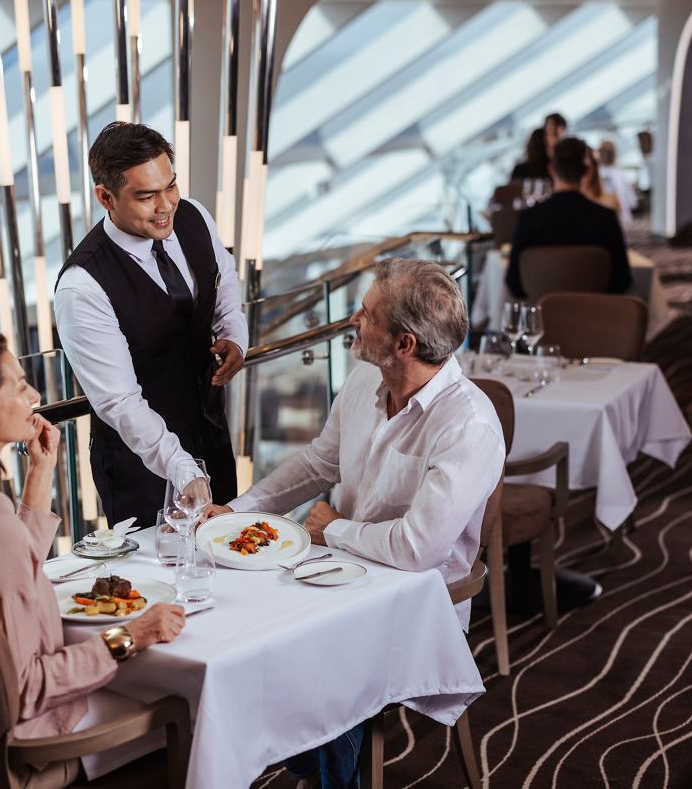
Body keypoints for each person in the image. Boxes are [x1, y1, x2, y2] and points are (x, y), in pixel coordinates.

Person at [206, 258, 504, 789]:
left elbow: (418, 549)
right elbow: (321, 462)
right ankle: (298, 758)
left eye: (366, 315)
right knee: (245, 617)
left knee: (320, 648)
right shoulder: (368, 375)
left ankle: (330, 779)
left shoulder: (470, 424)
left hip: (418, 595)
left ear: (404, 344)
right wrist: (243, 509)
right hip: (338, 567)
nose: (352, 320)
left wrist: (332, 528)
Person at [0, 332, 186, 780]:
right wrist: (133, 634)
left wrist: (41, 472)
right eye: (20, 385)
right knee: (188, 709)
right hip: (23, 754)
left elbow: (1, 574)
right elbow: (26, 688)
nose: (36, 396)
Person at [55, 122, 248, 527]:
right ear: (105, 197)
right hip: (141, 466)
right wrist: (181, 468)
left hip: (211, 434)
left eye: (170, 186)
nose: (165, 206)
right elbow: (118, 402)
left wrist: (234, 332)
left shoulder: (193, 216)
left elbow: (224, 275)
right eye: (146, 196)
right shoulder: (83, 286)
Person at [505, 136, 633, 299]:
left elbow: (514, 283)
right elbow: (622, 281)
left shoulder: (529, 219)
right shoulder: (606, 218)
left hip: (542, 318)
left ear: (551, 169)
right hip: (596, 318)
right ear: (586, 170)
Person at [596, 140, 636, 224]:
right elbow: (632, 201)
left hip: (613, 217)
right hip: (619, 217)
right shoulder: (616, 172)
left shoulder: (601, 173)